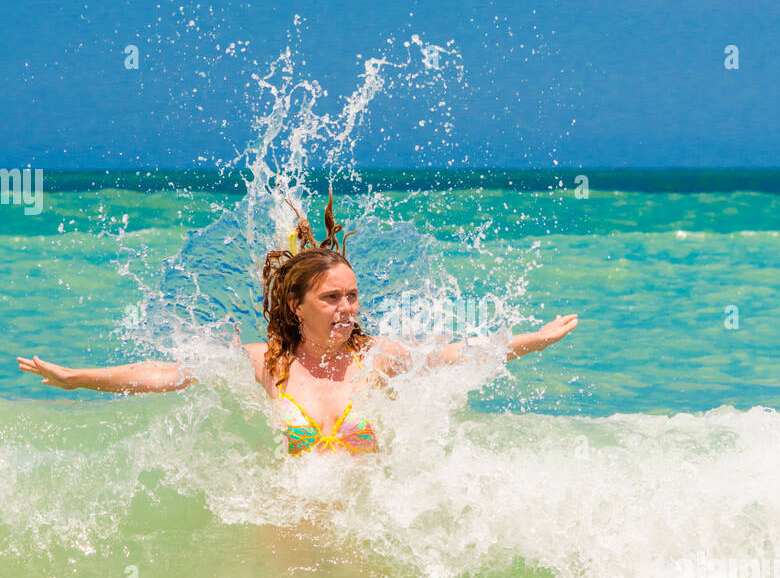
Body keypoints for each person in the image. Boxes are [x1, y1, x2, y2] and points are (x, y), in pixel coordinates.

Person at [17, 193, 579, 456]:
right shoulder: (267, 364)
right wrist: (77, 377)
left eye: (353, 296)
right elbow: (165, 374)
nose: (347, 308)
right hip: (289, 534)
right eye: (332, 297)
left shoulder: (377, 356)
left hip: (369, 530)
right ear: (297, 305)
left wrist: (533, 339)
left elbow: (460, 353)